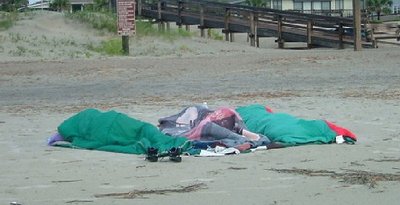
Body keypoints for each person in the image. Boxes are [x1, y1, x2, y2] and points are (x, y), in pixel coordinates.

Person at [158, 105, 275, 151]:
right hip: (213, 117)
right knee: (211, 124)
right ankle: (246, 136)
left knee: (208, 125)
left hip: (215, 119)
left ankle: (245, 136)